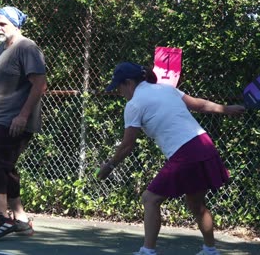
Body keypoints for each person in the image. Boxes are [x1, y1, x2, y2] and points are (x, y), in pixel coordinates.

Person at [97, 62, 245, 255]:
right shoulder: (166, 89)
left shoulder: (134, 105)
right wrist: (226, 108)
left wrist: (109, 166)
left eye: (119, 86)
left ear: (129, 83)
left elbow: (127, 145)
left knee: (150, 199)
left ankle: (147, 251)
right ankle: (210, 250)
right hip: (204, 144)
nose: (119, 92)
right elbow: (199, 105)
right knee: (196, 204)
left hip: (186, 151)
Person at [0, 6, 47, 241]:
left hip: (16, 121)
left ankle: (2, 217)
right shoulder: (0, 49)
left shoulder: (26, 48)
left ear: (16, 25)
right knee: (4, 165)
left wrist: (23, 116)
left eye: (3, 23)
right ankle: (21, 220)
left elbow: (39, 85)